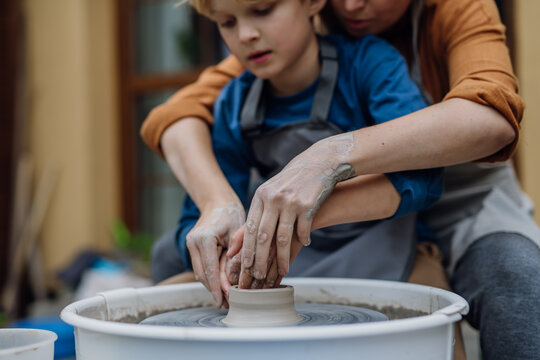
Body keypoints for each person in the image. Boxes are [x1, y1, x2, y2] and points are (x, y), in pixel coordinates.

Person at [143, 0, 540, 359]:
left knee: (508, 275)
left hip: (429, 208)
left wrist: (322, 172)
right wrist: (217, 213)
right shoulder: (248, 80)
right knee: (168, 271)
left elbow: (464, 146)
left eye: (262, 11)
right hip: (307, 248)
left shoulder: (376, 58)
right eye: (228, 22)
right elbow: (176, 114)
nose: (349, 5)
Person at [177, 0, 442, 300]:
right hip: (290, 266)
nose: (246, 34)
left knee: (434, 315)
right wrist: (218, 252)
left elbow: (424, 178)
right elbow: (197, 219)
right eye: (227, 22)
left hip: (392, 253)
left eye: (263, 11)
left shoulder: (369, 64)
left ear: (313, 3)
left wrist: (304, 213)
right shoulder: (235, 103)